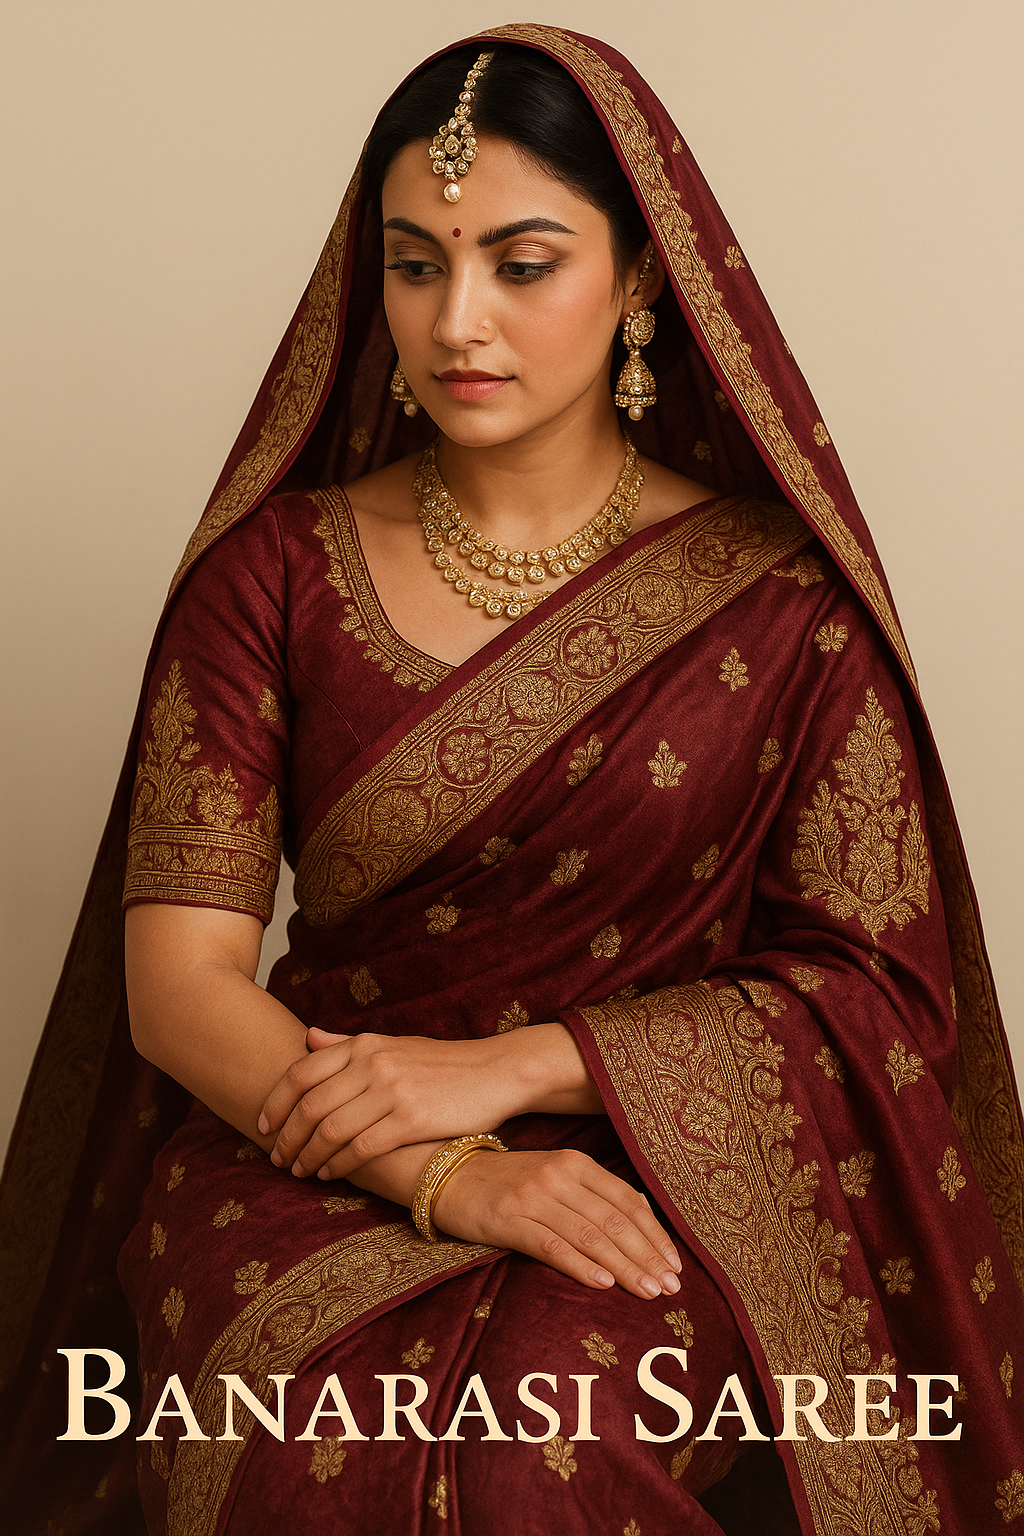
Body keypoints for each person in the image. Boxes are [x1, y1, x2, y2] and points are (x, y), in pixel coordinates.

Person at [2, 23, 1022, 1536]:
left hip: (655, 1160)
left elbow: (874, 992)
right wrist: (454, 1171)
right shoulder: (271, 579)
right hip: (316, 1136)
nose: (456, 320)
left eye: (522, 263)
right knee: (292, 1436)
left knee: (535, 1448)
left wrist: (526, 1069)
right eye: (416, 264)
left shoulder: (781, 607)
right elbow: (183, 988)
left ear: (643, 280)